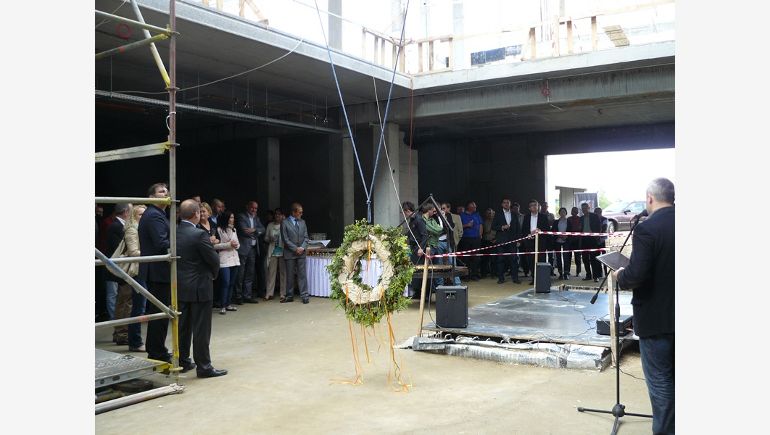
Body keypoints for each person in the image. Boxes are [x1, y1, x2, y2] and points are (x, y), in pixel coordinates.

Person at [613, 178, 675, 434]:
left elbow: (636, 275)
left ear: (650, 198)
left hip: (657, 321)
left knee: (661, 385)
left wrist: (620, 275)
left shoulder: (648, 229)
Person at [176, 199, 228, 378]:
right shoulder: (199, 234)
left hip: (181, 286)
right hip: (200, 286)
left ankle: (182, 360)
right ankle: (204, 366)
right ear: (196, 214)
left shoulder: (175, 232)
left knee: (183, 326)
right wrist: (213, 275)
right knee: (201, 329)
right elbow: (213, 260)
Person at [137, 183, 172, 363]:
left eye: (166, 191)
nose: (166, 193)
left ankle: (156, 348)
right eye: (161, 191)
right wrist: (179, 241)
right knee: (160, 312)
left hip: (158, 270)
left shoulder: (158, 214)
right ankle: (157, 351)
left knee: (160, 312)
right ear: (151, 198)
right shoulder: (154, 216)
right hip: (157, 271)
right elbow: (161, 243)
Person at [105, 202, 133, 345]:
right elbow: (120, 248)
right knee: (124, 301)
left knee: (124, 301)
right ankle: (121, 333)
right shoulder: (116, 227)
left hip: (123, 269)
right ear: (126, 212)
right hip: (121, 269)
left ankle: (120, 332)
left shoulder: (121, 226)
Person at [125, 204, 147, 352]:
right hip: (136, 271)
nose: (143, 218)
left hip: (144, 270)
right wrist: (150, 251)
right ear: (133, 216)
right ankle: (135, 342)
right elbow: (133, 252)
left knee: (141, 306)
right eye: (140, 215)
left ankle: (136, 340)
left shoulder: (143, 229)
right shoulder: (132, 229)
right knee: (138, 307)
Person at [235, 201, 265, 304]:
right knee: (240, 273)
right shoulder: (241, 216)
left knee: (250, 273)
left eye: (256, 208)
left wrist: (254, 230)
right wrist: (256, 232)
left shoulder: (256, 218)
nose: (254, 210)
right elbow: (244, 231)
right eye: (252, 208)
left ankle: (247, 295)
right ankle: (238, 296)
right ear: (247, 207)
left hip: (253, 249)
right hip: (243, 248)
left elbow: (263, 229)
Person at [281, 202, 311, 304]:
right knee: (289, 275)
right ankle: (290, 295)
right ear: (294, 212)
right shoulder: (284, 222)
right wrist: (295, 248)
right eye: (300, 212)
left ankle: (304, 295)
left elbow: (306, 237)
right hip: (290, 253)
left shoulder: (303, 222)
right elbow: (285, 239)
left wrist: (302, 248)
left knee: (302, 274)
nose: (301, 214)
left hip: (301, 253)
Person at [214, 210, 240, 315]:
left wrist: (235, 245)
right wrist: (228, 245)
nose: (232, 220)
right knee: (225, 282)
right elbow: (215, 246)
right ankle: (222, 305)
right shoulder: (218, 230)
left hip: (234, 259)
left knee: (232, 283)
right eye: (230, 218)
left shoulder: (234, 230)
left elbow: (238, 245)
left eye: (233, 218)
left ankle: (228, 303)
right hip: (224, 259)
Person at [492, 198, 522, 284]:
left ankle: (515, 278)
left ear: (510, 204)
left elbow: (518, 228)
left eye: (508, 203)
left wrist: (519, 240)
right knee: (500, 259)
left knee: (513, 259)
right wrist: (502, 227)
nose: (506, 204)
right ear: (502, 204)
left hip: (512, 241)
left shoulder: (514, 214)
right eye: (504, 203)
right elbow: (493, 227)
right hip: (501, 240)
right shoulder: (498, 214)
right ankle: (501, 278)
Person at [521, 199, 550, 285]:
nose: (534, 206)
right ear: (529, 208)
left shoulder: (543, 217)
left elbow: (547, 230)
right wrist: (528, 235)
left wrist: (540, 231)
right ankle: (534, 278)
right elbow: (524, 229)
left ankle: (542, 279)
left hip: (540, 242)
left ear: (538, 207)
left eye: (535, 205)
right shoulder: (526, 217)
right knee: (531, 260)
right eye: (532, 205)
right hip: (530, 242)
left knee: (541, 260)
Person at [264, 208, 287, 301]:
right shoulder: (270, 225)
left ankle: (283, 294)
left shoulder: (285, 225)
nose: (277, 216)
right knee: (271, 273)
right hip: (273, 251)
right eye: (276, 214)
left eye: (279, 214)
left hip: (282, 251)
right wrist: (270, 239)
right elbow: (265, 238)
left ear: (282, 215)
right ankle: (269, 293)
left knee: (283, 273)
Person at [459, 201, 483, 281]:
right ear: (469, 207)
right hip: (466, 238)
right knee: (466, 258)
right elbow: (458, 227)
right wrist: (467, 225)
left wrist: (480, 235)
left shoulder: (477, 215)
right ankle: (466, 275)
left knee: (476, 258)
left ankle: (474, 274)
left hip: (476, 238)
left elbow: (480, 225)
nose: (475, 207)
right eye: (474, 206)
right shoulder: (461, 215)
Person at [579, 202, 602, 282]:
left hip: (593, 239)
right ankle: (588, 275)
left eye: (585, 208)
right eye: (583, 208)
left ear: (589, 208)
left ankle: (596, 276)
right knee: (585, 258)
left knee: (593, 258)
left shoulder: (594, 216)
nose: (584, 210)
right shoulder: (581, 218)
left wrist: (597, 236)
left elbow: (599, 227)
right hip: (584, 239)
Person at [551, 207, 571, 280]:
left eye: (564, 212)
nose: (562, 213)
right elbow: (553, 231)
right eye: (561, 212)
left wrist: (566, 236)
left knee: (566, 257)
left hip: (566, 241)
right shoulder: (556, 222)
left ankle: (566, 273)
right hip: (557, 241)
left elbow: (571, 231)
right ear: (559, 213)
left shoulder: (568, 221)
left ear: (566, 213)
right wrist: (558, 235)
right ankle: (560, 273)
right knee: (558, 258)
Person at [480, 208, 496, 279]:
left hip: (494, 241)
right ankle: (484, 273)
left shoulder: (496, 221)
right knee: (485, 259)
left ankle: (493, 273)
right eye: (488, 213)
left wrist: (496, 239)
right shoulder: (483, 221)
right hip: (485, 241)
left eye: (491, 213)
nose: (489, 214)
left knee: (494, 259)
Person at [566, 206, 582, 278]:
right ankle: (568, 271)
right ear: (571, 212)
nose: (574, 212)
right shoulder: (568, 219)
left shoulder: (580, 219)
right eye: (573, 211)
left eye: (575, 211)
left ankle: (578, 272)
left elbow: (581, 228)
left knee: (577, 257)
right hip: (569, 240)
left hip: (577, 240)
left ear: (577, 212)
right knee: (568, 256)